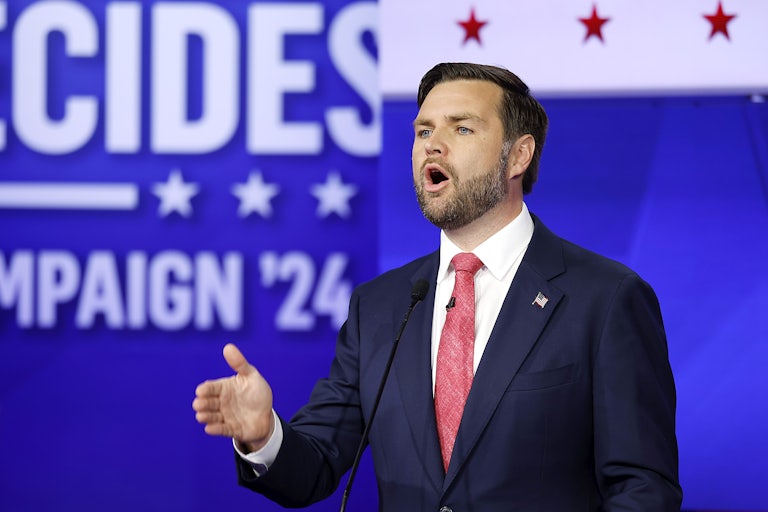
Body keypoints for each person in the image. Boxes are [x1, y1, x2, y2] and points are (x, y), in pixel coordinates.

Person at [193, 62, 682, 511]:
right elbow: (315, 466)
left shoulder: (605, 298)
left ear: (518, 155)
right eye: (424, 130)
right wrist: (264, 436)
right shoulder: (379, 307)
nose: (433, 144)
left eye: (461, 128)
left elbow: (643, 490)